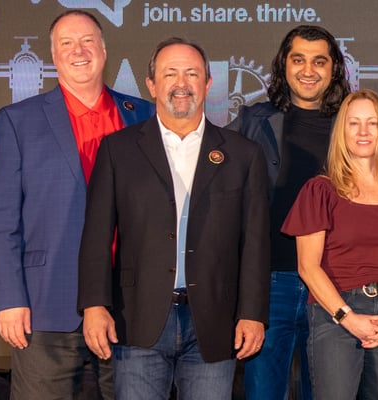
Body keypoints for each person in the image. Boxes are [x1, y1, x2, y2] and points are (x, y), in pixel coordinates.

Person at [77, 37, 271, 399]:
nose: (181, 84)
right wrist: (94, 305)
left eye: (192, 74)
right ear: (151, 84)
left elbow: (256, 243)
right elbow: (96, 237)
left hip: (215, 323)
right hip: (136, 319)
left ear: (208, 84)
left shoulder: (244, 155)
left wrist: (253, 313)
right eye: (170, 74)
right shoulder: (118, 150)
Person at [0, 10, 153, 399]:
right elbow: (1, 219)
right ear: (53, 55)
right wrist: (9, 299)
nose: (79, 50)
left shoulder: (143, 115)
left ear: (104, 50)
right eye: (66, 43)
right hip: (46, 304)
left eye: (88, 40)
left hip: (132, 305)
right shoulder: (17, 121)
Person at [224, 25, 351, 400]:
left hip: (333, 284)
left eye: (319, 61)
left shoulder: (352, 125)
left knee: (329, 392)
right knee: (263, 392)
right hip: (269, 283)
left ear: (334, 70)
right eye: (298, 59)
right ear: (283, 66)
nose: (308, 70)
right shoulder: (251, 121)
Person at [283, 89, 378, 400]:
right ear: (342, 132)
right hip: (335, 316)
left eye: (373, 123)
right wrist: (348, 318)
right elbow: (307, 267)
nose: (363, 132)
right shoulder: (319, 191)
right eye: (354, 123)